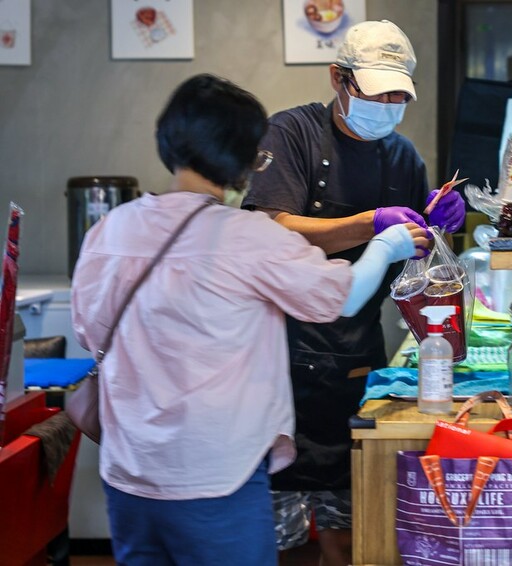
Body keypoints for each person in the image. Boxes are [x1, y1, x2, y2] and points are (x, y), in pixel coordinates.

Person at [70, 73, 430, 565]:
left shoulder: (111, 230)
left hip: (128, 474)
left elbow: (90, 333)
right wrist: (385, 243)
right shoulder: (247, 237)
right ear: (248, 158)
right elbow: (341, 297)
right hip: (217, 477)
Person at [241, 19, 466, 566]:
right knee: (283, 538)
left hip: (357, 356)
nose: (388, 104)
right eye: (376, 90)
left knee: (352, 531)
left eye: (398, 94)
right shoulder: (289, 134)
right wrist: (368, 226)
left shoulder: (403, 157)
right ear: (339, 79)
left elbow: (409, 270)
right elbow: (265, 229)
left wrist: (439, 230)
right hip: (280, 357)